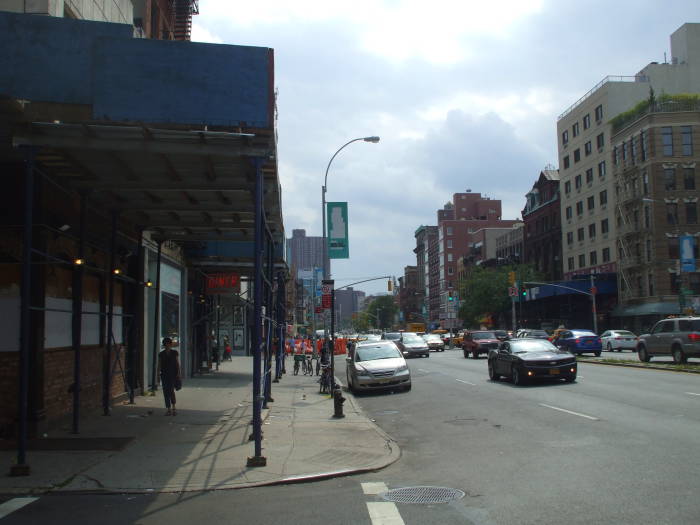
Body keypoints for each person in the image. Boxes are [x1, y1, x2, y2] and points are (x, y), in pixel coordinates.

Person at [157, 337, 181, 416]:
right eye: (165, 344)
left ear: (170, 345)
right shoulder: (161, 354)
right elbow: (159, 365)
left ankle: (174, 407)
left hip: (173, 375)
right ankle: (168, 409)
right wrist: (157, 375)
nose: (167, 346)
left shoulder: (175, 353)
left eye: (168, 344)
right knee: (165, 392)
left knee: (171, 391)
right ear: (164, 345)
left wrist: (178, 373)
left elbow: (177, 364)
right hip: (164, 375)